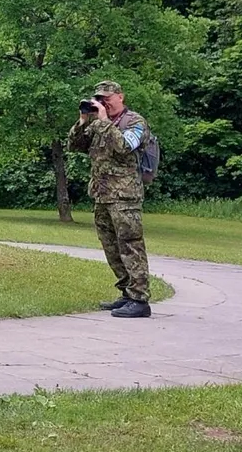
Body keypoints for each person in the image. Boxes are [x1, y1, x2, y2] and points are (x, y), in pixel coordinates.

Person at [67, 80, 152, 318]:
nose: (104, 101)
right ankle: (126, 293)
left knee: (130, 245)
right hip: (102, 195)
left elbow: (125, 146)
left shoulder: (134, 122)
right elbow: (74, 145)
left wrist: (104, 122)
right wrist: (83, 121)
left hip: (125, 196)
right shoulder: (98, 124)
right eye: (99, 98)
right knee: (111, 247)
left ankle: (140, 299)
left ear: (120, 97)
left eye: (108, 97)